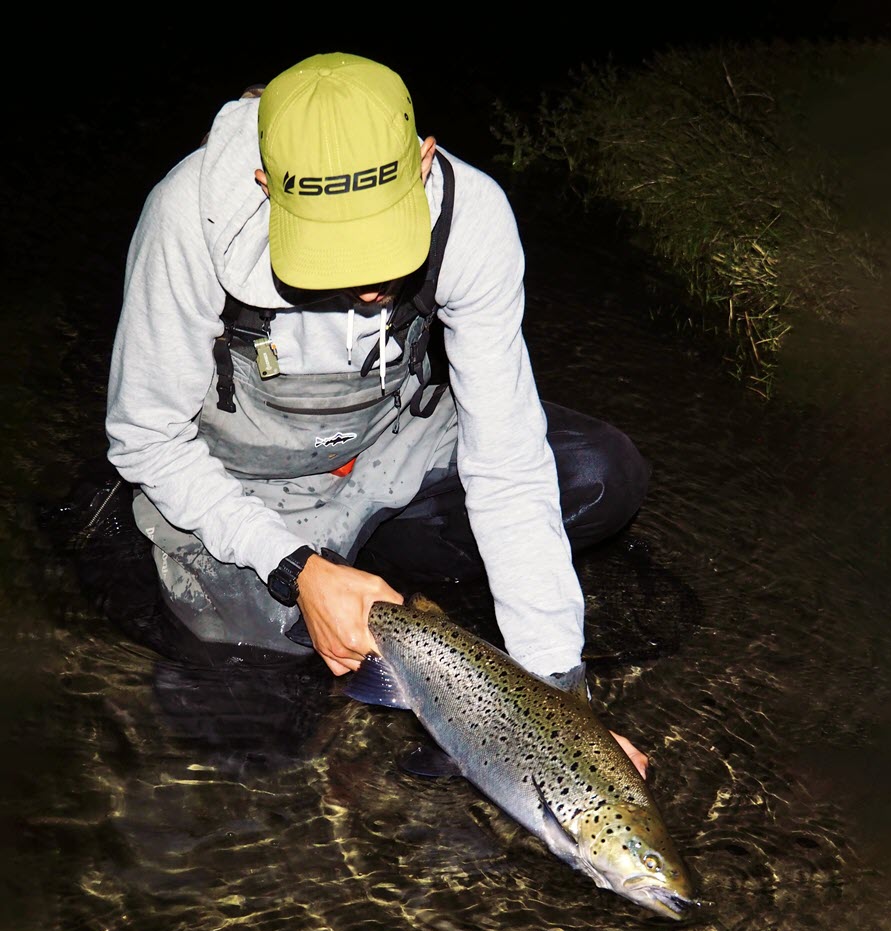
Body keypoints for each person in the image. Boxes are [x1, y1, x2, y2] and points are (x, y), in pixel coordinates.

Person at [105, 52, 651, 771]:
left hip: (398, 442)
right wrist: (295, 567)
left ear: (423, 162)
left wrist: (559, 701)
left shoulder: (472, 215)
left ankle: (369, 565)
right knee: (246, 736)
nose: (369, 285)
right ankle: (329, 573)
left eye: (383, 241)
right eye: (337, 251)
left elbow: (509, 463)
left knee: (601, 475)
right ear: (266, 186)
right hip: (249, 485)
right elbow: (146, 441)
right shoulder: (191, 216)